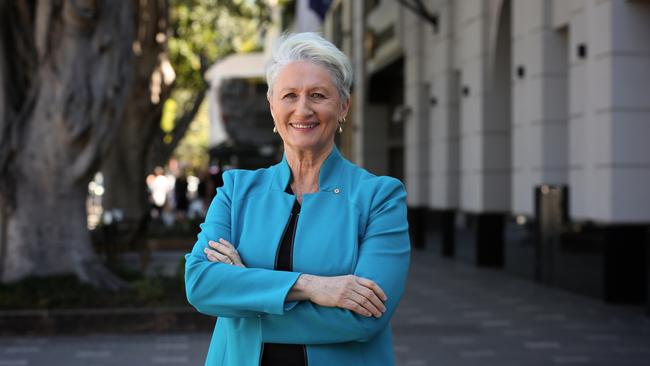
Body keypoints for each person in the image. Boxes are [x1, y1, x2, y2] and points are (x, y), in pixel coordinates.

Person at [185, 32, 410, 366]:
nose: (302, 109)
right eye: (289, 95)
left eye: (318, 95)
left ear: (343, 105)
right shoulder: (235, 190)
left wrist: (244, 298)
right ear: (273, 105)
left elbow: (366, 317)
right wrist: (313, 287)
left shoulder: (379, 197)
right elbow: (201, 284)